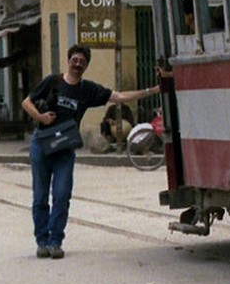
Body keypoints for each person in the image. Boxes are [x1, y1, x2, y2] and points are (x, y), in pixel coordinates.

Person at [21, 45, 168, 260]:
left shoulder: (87, 90)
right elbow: (27, 102)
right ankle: (42, 241)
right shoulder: (53, 81)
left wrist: (151, 91)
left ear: (86, 65)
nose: (77, 64)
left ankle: (55, 241)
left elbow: (119, 97)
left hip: (64, 149)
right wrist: (41, 118)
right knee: (40, 196)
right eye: (75, 59)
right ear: (68, 60)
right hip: (42, 145)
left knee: (62, 195)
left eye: (82, 61)